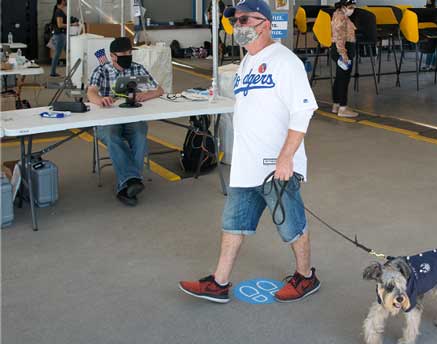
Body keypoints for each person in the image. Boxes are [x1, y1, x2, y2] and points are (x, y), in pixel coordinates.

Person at [179, 0, 320, 304]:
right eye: (235, 21)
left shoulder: (285, 61)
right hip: (246, 165)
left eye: (245, 20)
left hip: (275, 165)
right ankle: (219, 282)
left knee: (292, 225)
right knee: (233, 224)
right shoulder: (246, 61)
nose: (238, 26)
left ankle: (306, 276)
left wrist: (286, 158)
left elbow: (303, 111)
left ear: (265, 24)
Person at [87, 37, 164, 206]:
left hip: (132, 116)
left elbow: (159, 89)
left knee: (140, 134)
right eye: (123, 53)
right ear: (113, 56)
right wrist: (100, 100)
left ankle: (126, 185)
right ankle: (131, 181)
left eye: (130, 53)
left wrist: (146, 95)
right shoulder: (101, 70)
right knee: (111, 136)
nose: (128, 56)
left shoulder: (137, 68)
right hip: (108, 117)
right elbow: (91, 92)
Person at [330, 0, 358, 118]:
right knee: (344, 79)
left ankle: (336, 105)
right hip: (343, 50)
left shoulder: (341, 15)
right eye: (351, 7)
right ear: (343, 6)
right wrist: (344, 55)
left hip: (342, 49)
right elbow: (339, 37)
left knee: (339, 78)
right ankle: (343, 108)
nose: (353, 9)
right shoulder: (340, 17)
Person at [50, 0, 79, 77]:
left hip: (61, 35)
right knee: (57, 54)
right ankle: (52, 72)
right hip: (60, 35)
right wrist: (72, 24)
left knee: (68, 52)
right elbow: (60, 25)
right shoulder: (59, 11)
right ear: (62, 1)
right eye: (65, 0)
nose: (66, 1)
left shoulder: (60, 11)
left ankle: (71, 69)